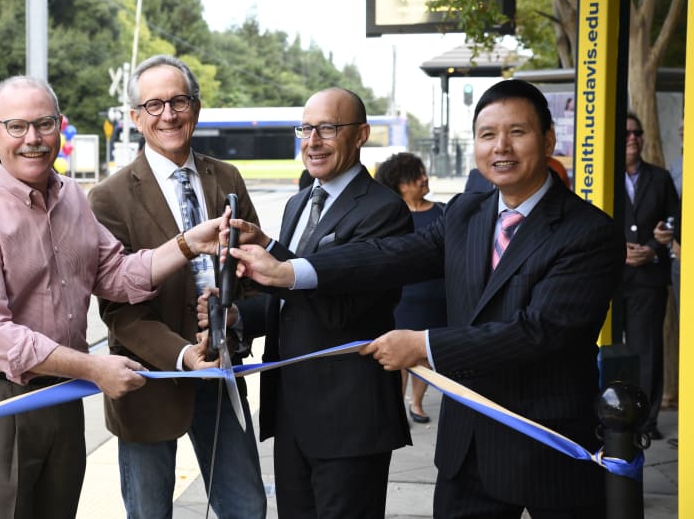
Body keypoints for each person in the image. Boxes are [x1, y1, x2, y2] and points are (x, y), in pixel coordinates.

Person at [230, 79, 625, 518]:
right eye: (487, 135)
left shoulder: (588, 231)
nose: (501, 147)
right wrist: (289, 269)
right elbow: (389, 255)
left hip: (547, 446)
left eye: (517, 132)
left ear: (548, 139)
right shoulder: (465, 213)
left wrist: (423, 346)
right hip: (467, 451)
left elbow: (540, 332)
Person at [0, 75, 225, 519]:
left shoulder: (71, 196)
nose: (32, 139)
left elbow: (117, 274)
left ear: (60, 127)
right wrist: (93, 368)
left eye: (44, 124)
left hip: (63, 390)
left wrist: (188, 243)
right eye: (17, 127)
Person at [86, 55, 266, 519]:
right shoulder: (109, 197)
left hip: (223, 373)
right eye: (154, 104)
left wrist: (234, 317)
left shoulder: (226, 178)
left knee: (246, 507)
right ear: (135, 118)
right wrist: (184, 356)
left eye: (179, 101)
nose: (168, 114)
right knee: (148, 513)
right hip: (149, 383)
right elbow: (118, 310)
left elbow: (256, 272)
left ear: (196, 107)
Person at [219, 87, 412, 517]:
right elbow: (288, 303)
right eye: (306, 128)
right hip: (291, 414)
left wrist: (273, 252)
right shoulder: (298, 202)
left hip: (349, 419)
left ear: (361, 135)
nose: (313, 141)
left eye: (328, 128)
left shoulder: (385, 210)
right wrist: (236, 315)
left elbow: (342, 309)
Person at [374, 152, 446, 424]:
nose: (424, 179)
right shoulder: (389, 217)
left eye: (423, 173)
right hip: (402, 299)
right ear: (399, 183)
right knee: (398, 355)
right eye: (415, 176)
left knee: (426, 354)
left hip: (436, 298)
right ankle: (397, 405)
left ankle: (417, 404)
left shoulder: (442, 211)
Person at [621, 112, 679, 440]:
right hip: (611, 279)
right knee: (608, 350)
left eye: (638, 133)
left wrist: (654, 248)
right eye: (627, 133)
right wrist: (619, 250)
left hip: (648, 280)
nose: (633, 138)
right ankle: (609, 415)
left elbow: (674, 218)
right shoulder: (602, 175)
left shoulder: (660, 177)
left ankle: (645, 421)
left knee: (647, 352)